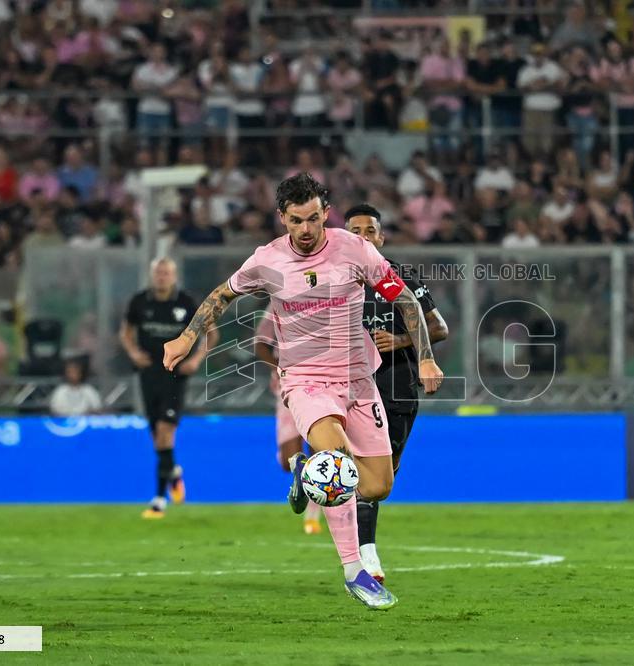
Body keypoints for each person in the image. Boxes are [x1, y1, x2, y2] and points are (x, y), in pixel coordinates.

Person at [162, 174, 444, 610]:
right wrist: (186, 339)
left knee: (377, 485)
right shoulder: (267, 260)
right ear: (283, 219)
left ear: (325, 214)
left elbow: (405, 300)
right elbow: (222, 296)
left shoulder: (355, 249)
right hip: (306, 381)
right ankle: (356, 572)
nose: (307, 230)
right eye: (297, 221)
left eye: (314, 218)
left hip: (358, 381)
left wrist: (425, 357)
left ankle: (304, 469)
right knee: (336, 468)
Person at [344, 203, 449, 583]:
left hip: (398, 383)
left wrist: (400, 340)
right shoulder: (335, 280)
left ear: (381, 237)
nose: (362, 237)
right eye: (354, 230)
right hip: (353, 385)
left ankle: (314, 477)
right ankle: (366, 556)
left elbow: (439, 328)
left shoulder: (399, 276)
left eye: (369, 230)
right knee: (360, 470)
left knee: (383, 479)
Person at [120, 258, 211, 519]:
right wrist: (133, 353)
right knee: (157, 437)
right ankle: (173, 472)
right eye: (158, 273)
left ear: (174, 276)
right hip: (148, 373)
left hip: (175, 375)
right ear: (152, 275)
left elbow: (211, 333)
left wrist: (195, 360)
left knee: (164, 432)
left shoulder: (186, 303)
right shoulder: (140, 302)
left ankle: (159, 499)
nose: (161, 277)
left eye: (166, 273)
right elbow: (125, 332)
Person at [254, 311, 322, 536]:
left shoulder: (329, 299)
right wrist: (278, 367)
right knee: (287, 461)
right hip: (287, 390)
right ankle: (299, 471)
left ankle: (312, 517)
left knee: (318, 452)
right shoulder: (278, 301)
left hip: (321, 386)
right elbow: (261, 344)